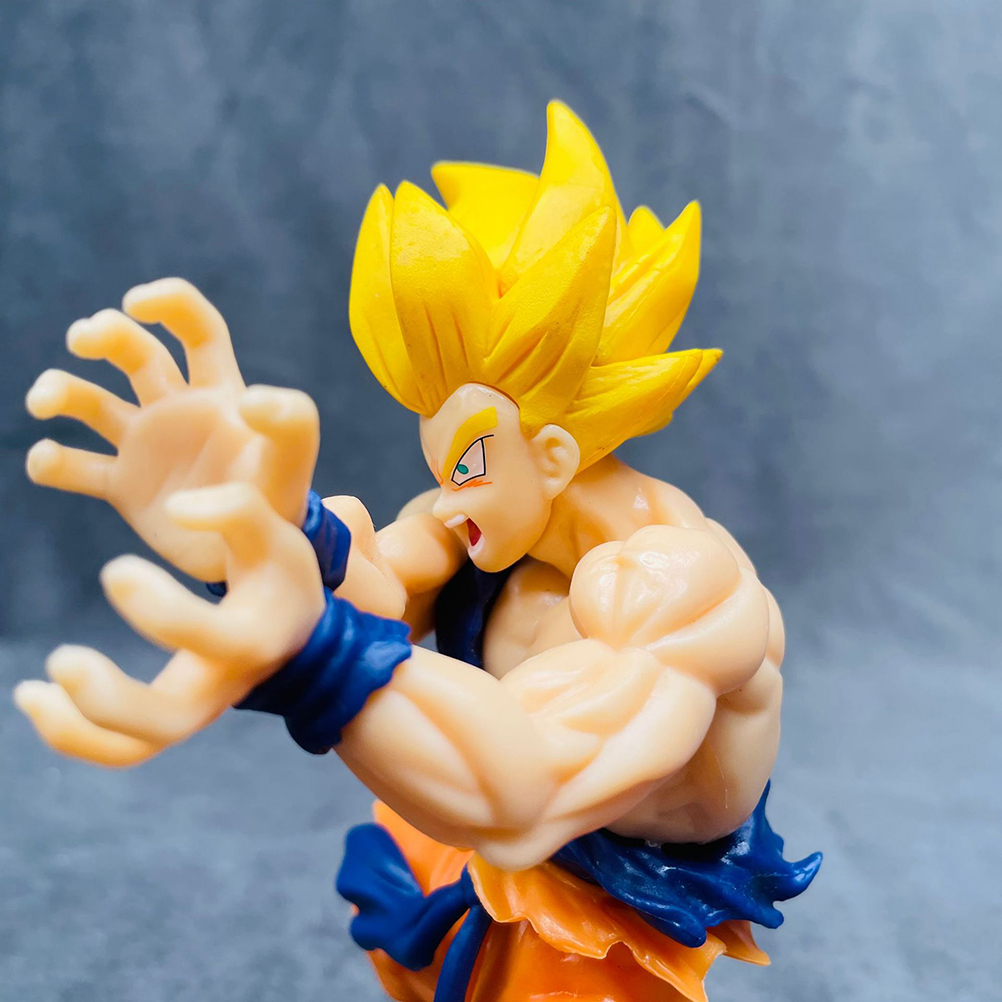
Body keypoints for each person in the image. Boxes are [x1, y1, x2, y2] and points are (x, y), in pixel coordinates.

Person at [17, 102, 819, 1002]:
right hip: (466, 867)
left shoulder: (683, 586)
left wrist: (315, 655)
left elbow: (526, 782)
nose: (446, 496)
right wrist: (262, 526)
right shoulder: (479, 528)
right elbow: (378, 578)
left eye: (468, 464)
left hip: (609, 931)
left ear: (555, 456)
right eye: (440, 467)